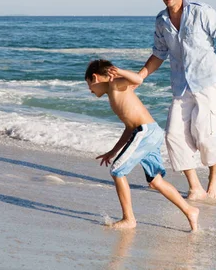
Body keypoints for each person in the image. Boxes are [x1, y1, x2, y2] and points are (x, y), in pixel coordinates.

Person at [138, 0, 216, 200]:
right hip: (181, 86)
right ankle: (195, 186)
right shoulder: (162, 21)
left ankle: (214, 175)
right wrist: (140, 76)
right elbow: (158, 54)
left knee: (203, 133)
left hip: (208, 82)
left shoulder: (202, 12)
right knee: (173, 135)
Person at [85, 59, 199, 231]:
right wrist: (113, 151)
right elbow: (129, 128)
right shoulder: (113, 95)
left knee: (117, 171)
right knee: (155, 181)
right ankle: (190, 211)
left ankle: (129, 219)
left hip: (145, 132)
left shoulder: (116, 85)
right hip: (149, 133)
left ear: (95, 78)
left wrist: (120, 72)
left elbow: (138, 79)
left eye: (89, 85)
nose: (90, 90)